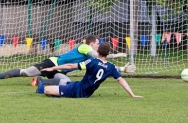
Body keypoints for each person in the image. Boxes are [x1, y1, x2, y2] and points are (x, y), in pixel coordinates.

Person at [0, 35, 134, 86]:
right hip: (53, 63)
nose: (98, 45)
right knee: (25, 73)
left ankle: (41, 81)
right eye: (97, 43)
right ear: (92, 43)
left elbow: (103, 65)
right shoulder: (84, 47)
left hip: (60, 70)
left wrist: (122, 69)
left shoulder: (91, 56)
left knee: (66, 82)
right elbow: (98, 56)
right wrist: (114, 56)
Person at [36, 42, 143, 99]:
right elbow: (121, 80)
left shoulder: (92, 62)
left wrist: (53, 67)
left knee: (47, 90)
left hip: (78, 91)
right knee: (66, 83)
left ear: (98, 51)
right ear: (108, 53)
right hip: (86, 92)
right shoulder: (111, 67)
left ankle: (43, 88)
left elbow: (71, 66)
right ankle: (58, 90)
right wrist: (132, 94)